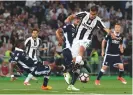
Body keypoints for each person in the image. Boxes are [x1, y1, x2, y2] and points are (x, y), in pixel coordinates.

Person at [64, 5, 117, 90]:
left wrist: (112, 34)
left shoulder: (98, 21)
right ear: (90, 11)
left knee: (81, 50)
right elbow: (73, 16)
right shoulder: (84, 14)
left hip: (86, 40)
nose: (92, 16)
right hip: (76, 39)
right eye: (91, 14)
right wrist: (67, 19)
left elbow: (105, 29)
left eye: (94, 14)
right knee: (76, 62)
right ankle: (72, 84)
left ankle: (73, 68)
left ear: (97, 13)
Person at [56, 17, 91, 91]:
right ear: (73, 20)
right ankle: (65, 71)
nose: (78, 20)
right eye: (76, 19)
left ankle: (71, 85)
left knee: (77, 70)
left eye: (79, 20)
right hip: (68, 49)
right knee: (76, 64)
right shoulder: (69, 26)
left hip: (74, 50)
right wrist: (60, 39)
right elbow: (58, 31)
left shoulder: (78, 30)